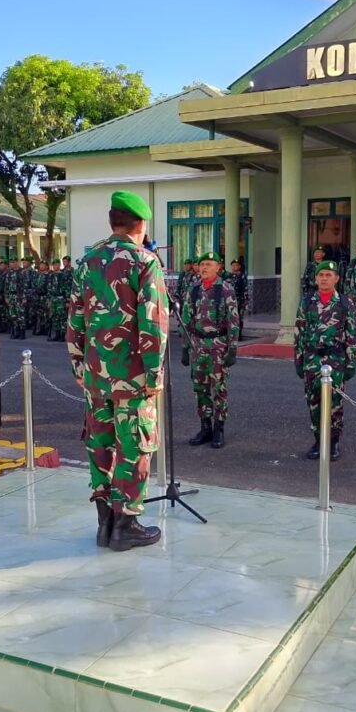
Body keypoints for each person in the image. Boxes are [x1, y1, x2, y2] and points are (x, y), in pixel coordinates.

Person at [67, 190, 168, 551]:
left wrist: (79, 366)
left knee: (100, 444)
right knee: (135, 446)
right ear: (141, 224)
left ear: (113, 222)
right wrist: (154, 377)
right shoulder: (145, 262)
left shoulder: (88, 260)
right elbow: (153, 327)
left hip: (96, 377)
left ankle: (104, 523)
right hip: (134, 377)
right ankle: (125, 525)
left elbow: (75, 319)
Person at [294, 260, 356, 461]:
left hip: (335, 359)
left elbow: (352, 335)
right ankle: (318, 440)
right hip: (312, 359)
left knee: (335, 404)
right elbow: (299, 332)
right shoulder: (307, 302)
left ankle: (333, 442)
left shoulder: (345, 303)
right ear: (315, 279)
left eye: (328, 275)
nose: (324, 278)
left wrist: (351, 362)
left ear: (336, 279)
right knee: (313, 402)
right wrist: (298, 360)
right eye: (321, 275)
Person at [181, 251, 240, 449]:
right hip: (198, 345)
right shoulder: (194, 288)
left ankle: (219, 429)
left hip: (218, 345)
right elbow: (186, 318)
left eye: (209, 264)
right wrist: (184, 346)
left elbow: (233, 320)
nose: (204, 267)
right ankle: (204, 427)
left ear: (218, 267)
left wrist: (232, 348)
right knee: (200, 388)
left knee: (219, 389)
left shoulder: (225, 289)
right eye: (202, 264)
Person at [5, 257, 27, 339]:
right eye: (11, 262)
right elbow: (6, 286)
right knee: (13, 316)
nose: (12, 264)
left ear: (17, 263)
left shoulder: (22, 272)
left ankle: (22, 333)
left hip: (19, 296)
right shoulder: (9, 273)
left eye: (13, 262)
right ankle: (15, 332)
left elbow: (25, 286)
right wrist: (6, 297)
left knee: (20, 315)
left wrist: (24, 297)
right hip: (11, 296)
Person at [229, 259, 249, 337]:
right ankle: (231, 333)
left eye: (236, 265)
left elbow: (245, 289)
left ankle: (239, 333)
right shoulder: (229, 276)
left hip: (239, 300)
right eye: (233, 265)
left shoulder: (242, 276)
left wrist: (245, 301)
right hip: (230, 300)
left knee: (238, 317)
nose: (234, 267)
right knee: (230, 317)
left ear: (239, 266)